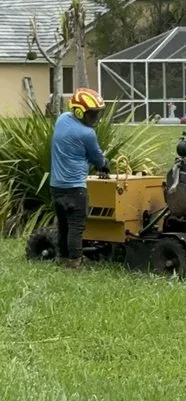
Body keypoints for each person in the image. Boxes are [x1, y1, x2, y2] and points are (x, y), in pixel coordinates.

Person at [50, 88, 110, 268]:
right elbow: (97, 158)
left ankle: (62, 257)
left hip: (56, 185)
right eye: (92, 115)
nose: (95, 118)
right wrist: (104, 166)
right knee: (76, 227)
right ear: (79, 112)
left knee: (63, 226)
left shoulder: (62, 120)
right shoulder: (87, 134)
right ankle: (75, 261)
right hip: (75, 187)